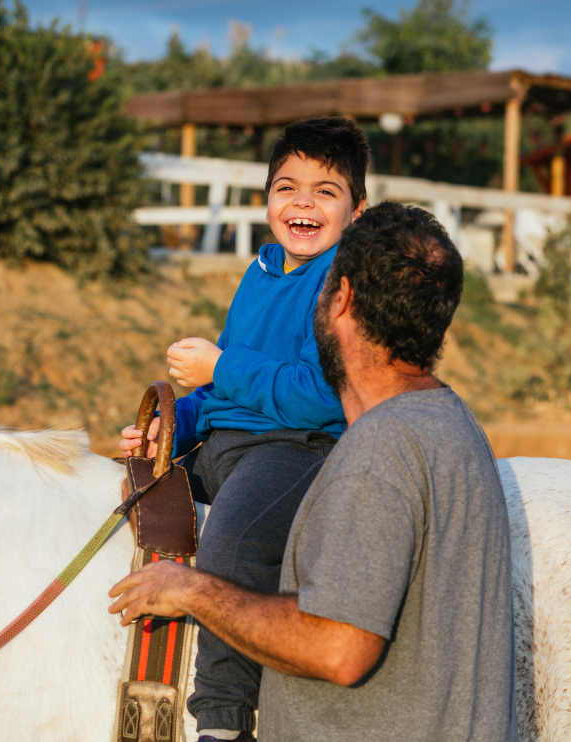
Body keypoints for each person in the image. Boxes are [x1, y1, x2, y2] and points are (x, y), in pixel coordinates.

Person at [109, 202, 516, 742]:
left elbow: (341, 650)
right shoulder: (456, 426)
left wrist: (190, 589)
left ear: (339, 299)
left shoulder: (376, 455)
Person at [116, 116, 371, 742]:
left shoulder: (345, 283)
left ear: (357, 212)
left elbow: (324, 398)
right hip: (228, 444)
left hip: (296, 449)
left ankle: (224, 721)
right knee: (128, 491)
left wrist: (224, 366)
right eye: (288, 187)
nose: (303, 202)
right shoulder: (257, 276)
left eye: (325, 191)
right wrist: (173, 431)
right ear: (267, 202)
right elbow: (221, 393)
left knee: (233, 539)